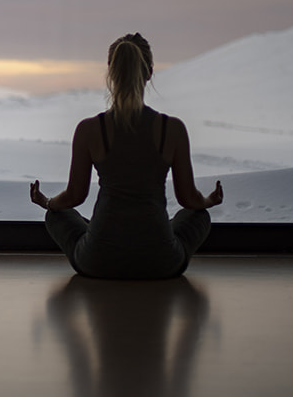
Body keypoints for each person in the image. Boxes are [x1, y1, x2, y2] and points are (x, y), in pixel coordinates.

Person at [30, 33, 223, 279]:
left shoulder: (89, 129)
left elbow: (74, 196)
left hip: (97, 261)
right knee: (199, 216)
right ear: (149, 72)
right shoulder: (171, 129)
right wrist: (209, 201)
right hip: (161, 262)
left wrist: (46, 202)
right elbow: (189, 200)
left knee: (57, 215)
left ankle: (99, 232)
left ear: (111, 72)